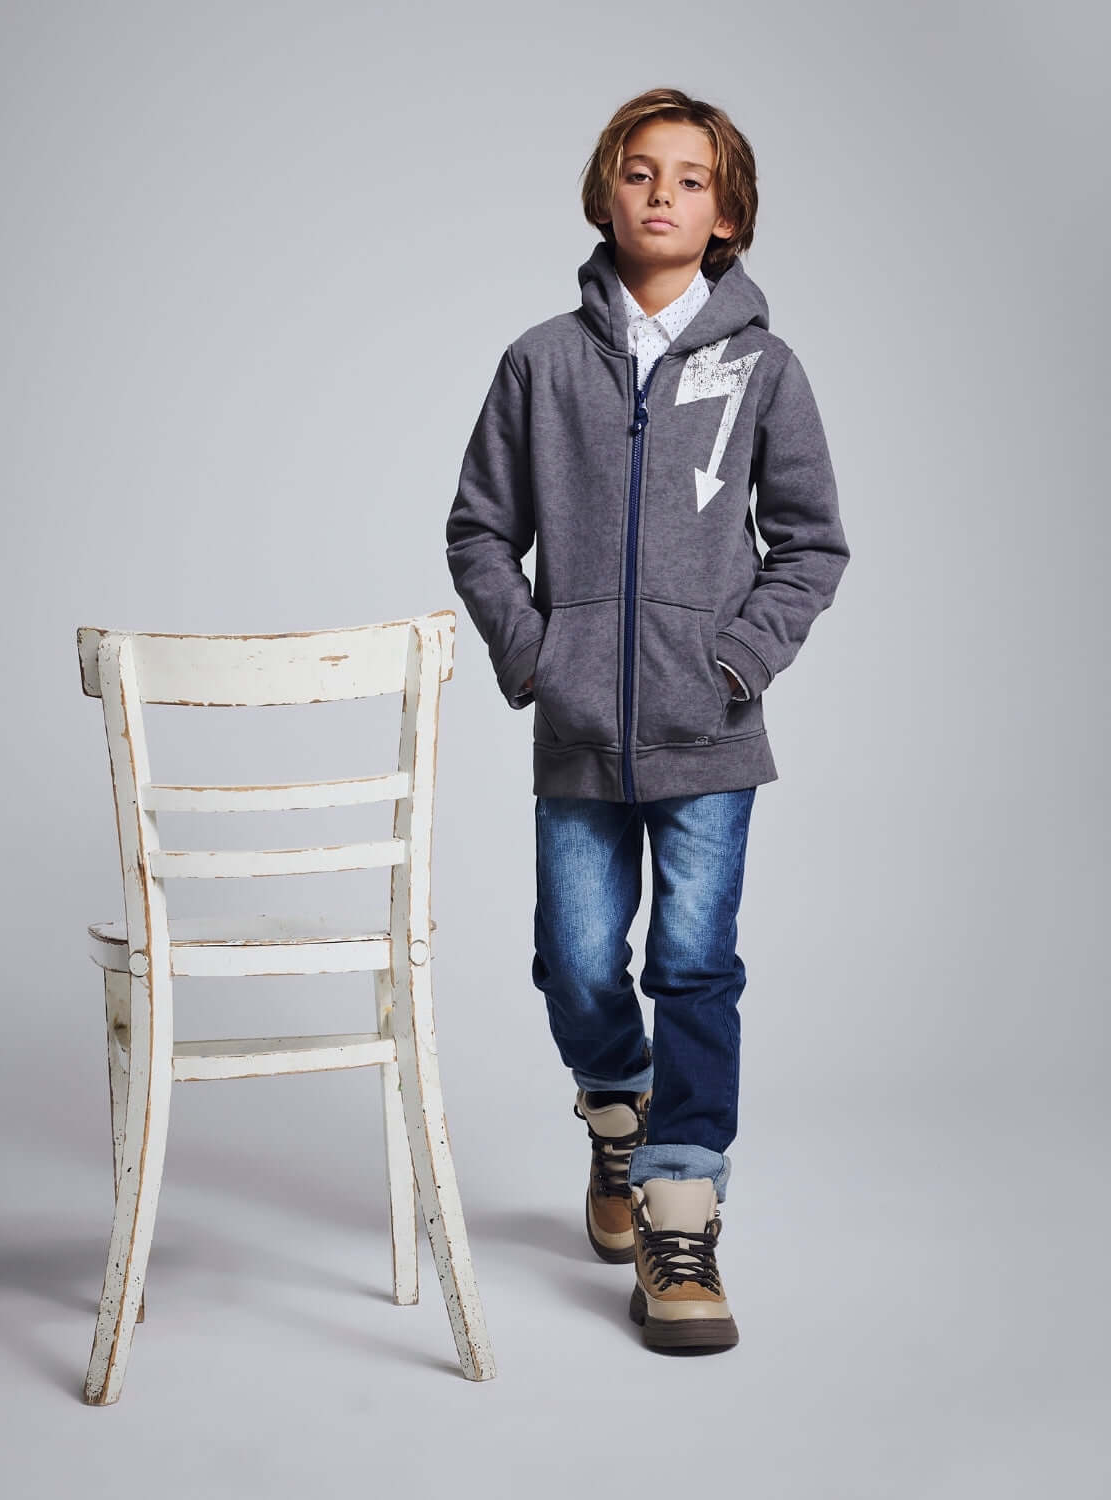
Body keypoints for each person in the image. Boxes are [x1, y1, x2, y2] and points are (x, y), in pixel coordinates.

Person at [444, 87, 850, 1353]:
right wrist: (539, 659)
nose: (662, 192)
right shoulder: (541, 364)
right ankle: (616, 1113)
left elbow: (812, 544)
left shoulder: (765, 370)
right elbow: (478, 530)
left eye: (690, 177)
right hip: (577, 733)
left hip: (710, 736)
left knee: (693, 964)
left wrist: (736, 663)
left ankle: (680, 1218)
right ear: (604, 195)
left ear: (726, 216)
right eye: (639, 171)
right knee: (575, 961)